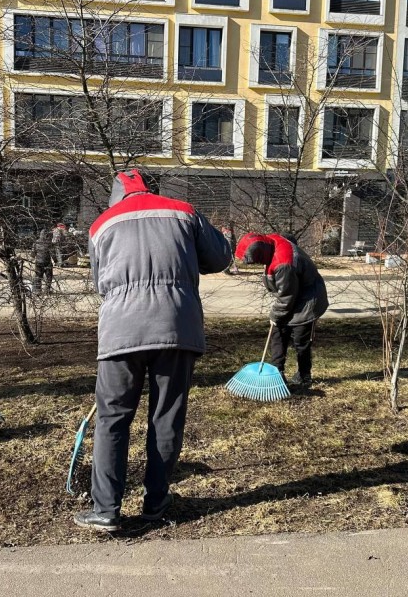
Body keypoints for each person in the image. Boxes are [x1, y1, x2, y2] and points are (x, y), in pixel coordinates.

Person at [74, 168, 232, 532]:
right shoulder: (184, 211)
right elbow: (220, 258)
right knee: (166, 416)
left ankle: (105, 510)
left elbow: (101, 282)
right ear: (150, 188)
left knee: (112, 419)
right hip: (176, 327)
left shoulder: (101, 225)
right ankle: (156, 501)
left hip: (120, 332)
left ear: (116, 196)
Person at [235, 232, 329, 391]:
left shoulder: (283, 263)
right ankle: (277, 373)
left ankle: (304, 376)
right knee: (278, 333)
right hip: (294, 295)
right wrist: (277, 316)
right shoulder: (271, 243)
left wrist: (275, 315)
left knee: (301, 340)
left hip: (308, 301)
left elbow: (287, 296)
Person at [33, 227, 53, 294]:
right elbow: (53, 253)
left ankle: (37, 291)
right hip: (47, 262)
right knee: (49, 277)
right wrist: (56, 261)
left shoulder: (36, 243)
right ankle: (47, 290)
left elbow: (33, 254)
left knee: (38, 276)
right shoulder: (49, 243)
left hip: (38, 262)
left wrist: (33, 258)